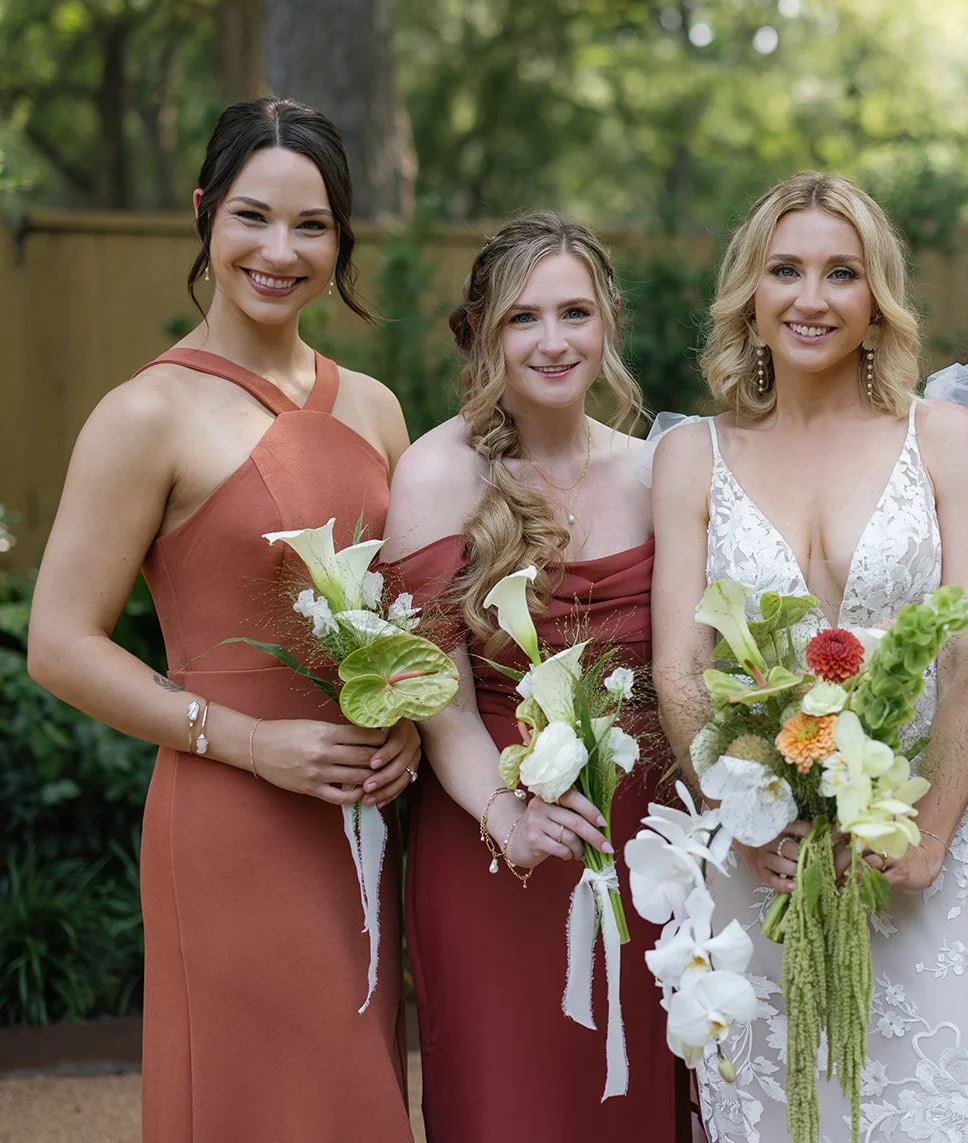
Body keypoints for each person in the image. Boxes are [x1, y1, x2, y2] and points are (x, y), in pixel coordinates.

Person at [26, 97, 417, 1141]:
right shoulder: (143, 415)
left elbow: (405, 615)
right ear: (204, 215)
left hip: (362, 818)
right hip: (229, 820)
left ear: (341, 240)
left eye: (312, 225)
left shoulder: (375, 409)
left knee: (358, 1102)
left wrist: (411, 727)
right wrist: (247, 742)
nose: (279, 250)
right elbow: (58, 645)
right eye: (252, 216)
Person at [651, 171, 968, 1142]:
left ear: (876, 297)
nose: (811, 298)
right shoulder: (692, 456)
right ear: (750, 295)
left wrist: (928, 836)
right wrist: (744, 818)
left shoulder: (947, 441)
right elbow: (679, 665)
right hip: (760, 861)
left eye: (840, 273)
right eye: (787, 271)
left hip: (915, 856)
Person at [382, 212, 682, 1140]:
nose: (552, 342)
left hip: (648, 843)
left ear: (609, 324)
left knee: (638, 1095)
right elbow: (443, 706)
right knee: (511, 1099)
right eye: (523, 318)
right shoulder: (436, 474)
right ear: (481, 333)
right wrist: (505, 813)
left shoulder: (659, 469)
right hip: (492, 830)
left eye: (574, 314)